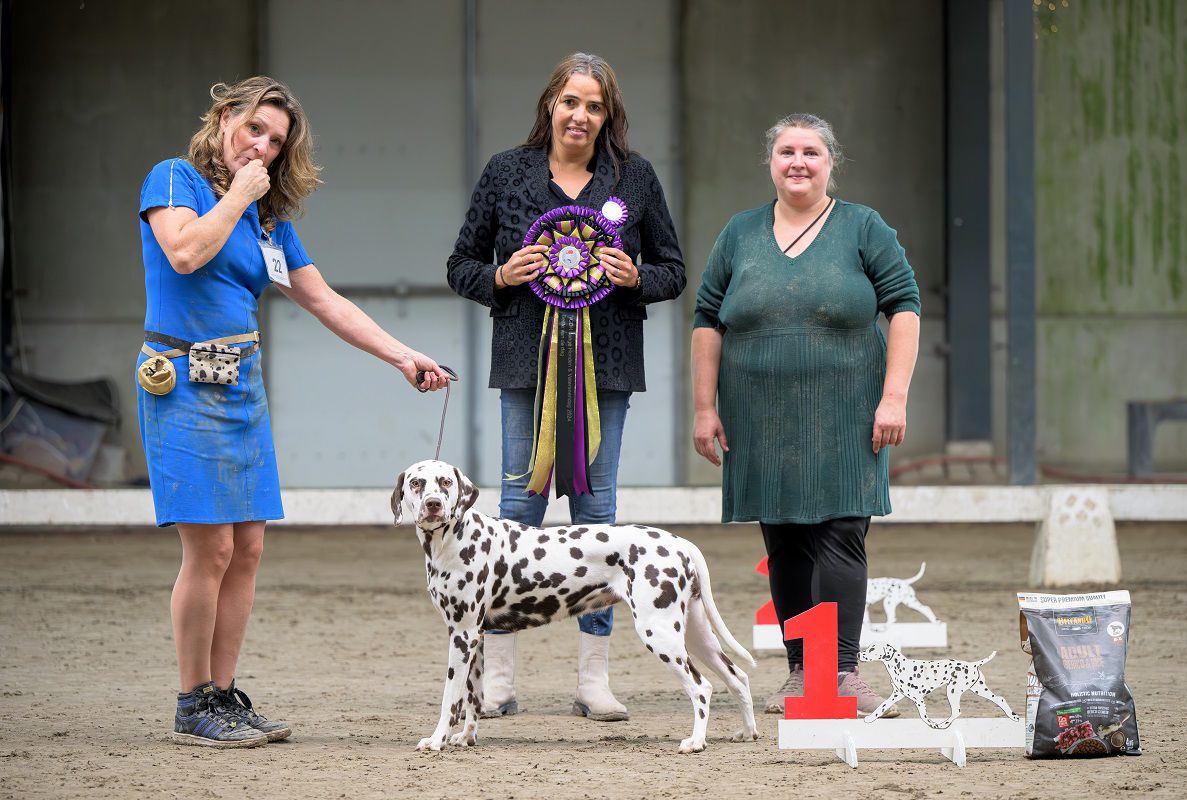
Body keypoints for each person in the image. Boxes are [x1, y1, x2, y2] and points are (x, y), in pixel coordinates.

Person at [137, 76, 450, 747]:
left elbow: (325, 301)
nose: (263, 147)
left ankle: (222, 696)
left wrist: (403, 356)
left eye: (275, 142)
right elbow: (185, 252)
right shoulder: (173, 180)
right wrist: (237, 196)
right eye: (255, 129)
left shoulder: (267, 222)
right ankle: (191, 703)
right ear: (225, 117)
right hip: (183, 380)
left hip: (241, 387)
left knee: (247, 547)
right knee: (211, 547)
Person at [447, 53, 685, 722]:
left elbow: (675, 270)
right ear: (550, 104)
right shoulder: (506, 172)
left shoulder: (633, 178)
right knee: (515, 515)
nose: (581, 115)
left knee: (597, 516)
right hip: (526, 365)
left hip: (606, 368)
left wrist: (635, 276)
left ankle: (594, 681)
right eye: (570, 101)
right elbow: (459, 265)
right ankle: (496, 679)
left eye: (595, 105)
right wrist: (500, 277)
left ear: (609, 115)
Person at [691, 113, 920, 717]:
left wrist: (893, 396)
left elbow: (904, 308)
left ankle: (841, 674)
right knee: (785, 538)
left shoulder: (864, 227)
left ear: (830, 163)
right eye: (787, 151)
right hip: (759, 418)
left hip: (848, 415)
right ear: (771, 162)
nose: (798, 161)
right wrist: (703, 407)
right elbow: (707, 319)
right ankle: (801, 675)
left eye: (811, 152)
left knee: (840, 534)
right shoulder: (739, 233)